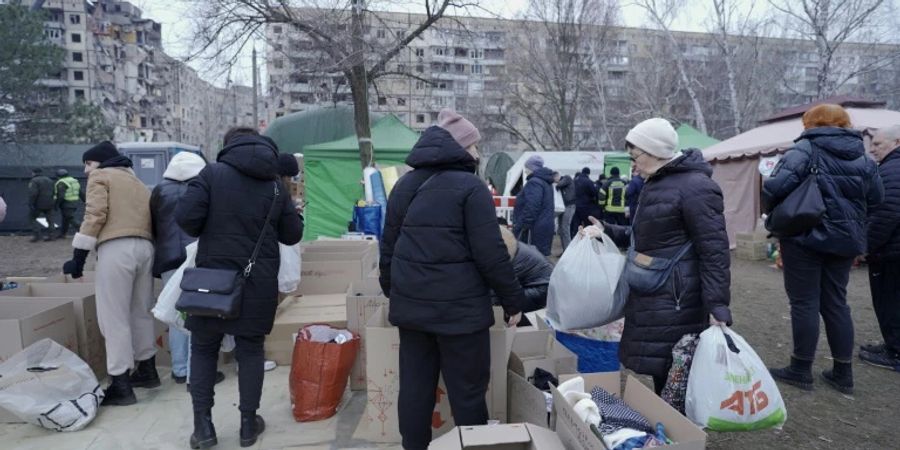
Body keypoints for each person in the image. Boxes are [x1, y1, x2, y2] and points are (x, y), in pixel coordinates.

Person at [379, 109, 524, 450]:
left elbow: (388, 246)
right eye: (475, 145)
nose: (478, 152)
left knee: (415, 389)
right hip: (461, 315)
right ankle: (471, 446)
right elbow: (490, 253)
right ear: (462, 147)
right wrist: (512, 298)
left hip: (412, 310)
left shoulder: (403, 184)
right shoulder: (471, 187)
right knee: (468, 391)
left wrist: (394, 291)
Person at [176, 127, 303, 449]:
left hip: (211, 280)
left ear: (227, 146)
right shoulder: (275, 185)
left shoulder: (211, 174)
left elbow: (187, 219)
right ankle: (248, 424)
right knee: (250, 350)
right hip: (256, 281)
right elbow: (292, 235)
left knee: (204, 349)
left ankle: (203, 427)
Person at [598, 118, 732, 395]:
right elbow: (649, 234)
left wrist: (717, 305)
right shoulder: (657, 183)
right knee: (665, 371)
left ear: (655, 152)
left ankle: (680, 431)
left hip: (676, 298)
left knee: (674, 369)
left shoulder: (695, 187)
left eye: (635, 156)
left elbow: (714, 250)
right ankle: (670, 427)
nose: (632, 164)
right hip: (654, 291)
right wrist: (607, 230)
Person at [764, 104, 883, 395]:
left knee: (805, 303)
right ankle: (843, 372)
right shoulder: (863, 156)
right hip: (845, 240)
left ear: (811, 123)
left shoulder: (804, 150)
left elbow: (774, 188)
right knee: (836, 303)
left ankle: (800, 368)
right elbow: (877, 197)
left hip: (805, 236)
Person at [62, 141, 160, 406]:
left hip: (117, 248)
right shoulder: (138, 182)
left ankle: (120, 383)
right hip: (145, 247)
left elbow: (95, 215)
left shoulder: (101, 176)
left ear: (100, 162)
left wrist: (78, 257)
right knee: (140, 311)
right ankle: (148, 370)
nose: (85, 170)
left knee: (113, 316)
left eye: (88, 163)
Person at [150, 151, 228, 390]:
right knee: (196, 313)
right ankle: (199, 371)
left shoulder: (158, 191)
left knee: (174, 313)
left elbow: (154, 225)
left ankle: (179, 369)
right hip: (195, 257)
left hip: (167, 257)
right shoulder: (203, 188)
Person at [859, 125, 900, 370]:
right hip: (893, 249)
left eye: (877, 144)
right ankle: (892, 345)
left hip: (892, 252)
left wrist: (865, 246)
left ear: (896, 142)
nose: (872, 149)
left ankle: (895, 353)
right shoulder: (890, 167)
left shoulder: (892, 170)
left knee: (890, 301)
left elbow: (886, 214)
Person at [498, 224, 554, 314]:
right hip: (544, 283)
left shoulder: (514, 259)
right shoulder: (515, 248)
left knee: (503, 296)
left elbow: (504, 285)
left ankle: (519, 319)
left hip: (542, 288)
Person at [513, 155, 555, 256]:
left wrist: (523, 226)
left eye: (526, 168)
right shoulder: (546, 182)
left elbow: (532, 206)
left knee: (533, 259)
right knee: (541, 258)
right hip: (544, 225)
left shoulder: (534, 182)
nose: (525, 170)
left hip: (534, 228)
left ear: (532, 168)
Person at [28, 168, 56, 242]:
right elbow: (54, 192)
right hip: (50, 203)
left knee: (32, 218)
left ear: (34, 173)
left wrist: (31, 203)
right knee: (50, 220)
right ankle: (52, 236)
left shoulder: (34, 181)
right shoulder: (50, 180)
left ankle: (37, 236)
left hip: (38, 204)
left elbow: (33, 194)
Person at [54, 168, 82, 239]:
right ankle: (63, 234)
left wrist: (56, 205)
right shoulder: (74, 181)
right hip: (74, 202)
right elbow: (80, 192)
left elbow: (60, 196)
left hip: (66, 203)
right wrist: (85, 201)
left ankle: (83, 231)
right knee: (65, 219)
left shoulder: (62, 182)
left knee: (70, 218)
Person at [554, 171, 576, 250]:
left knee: (565, 228)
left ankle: (568, 251)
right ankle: (565, 250)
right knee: (561, 229)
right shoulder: (564, 180)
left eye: (554, 179)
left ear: (557, 176)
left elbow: (559, 185)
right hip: (564, 207)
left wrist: (556, 185)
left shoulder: (567, 177)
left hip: (569, 206)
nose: (554, 181)